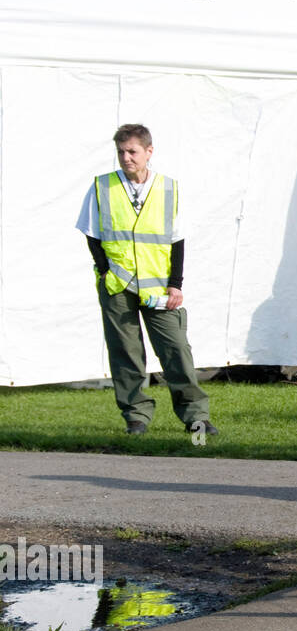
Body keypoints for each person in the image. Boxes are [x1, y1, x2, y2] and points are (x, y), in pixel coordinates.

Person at [76, 124, 216, 436]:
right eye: (121, 152)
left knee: (177, 350)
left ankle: (196, 418)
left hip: (159, 287)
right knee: (126, 353)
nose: (126, 158)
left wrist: (176, 284)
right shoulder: (102, 187)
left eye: (132, 151)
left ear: (149, 152)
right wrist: (104, 272)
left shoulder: (169, 188)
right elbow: (92, 234)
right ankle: (136, 417)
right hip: (117, 285)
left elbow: (178, 240)